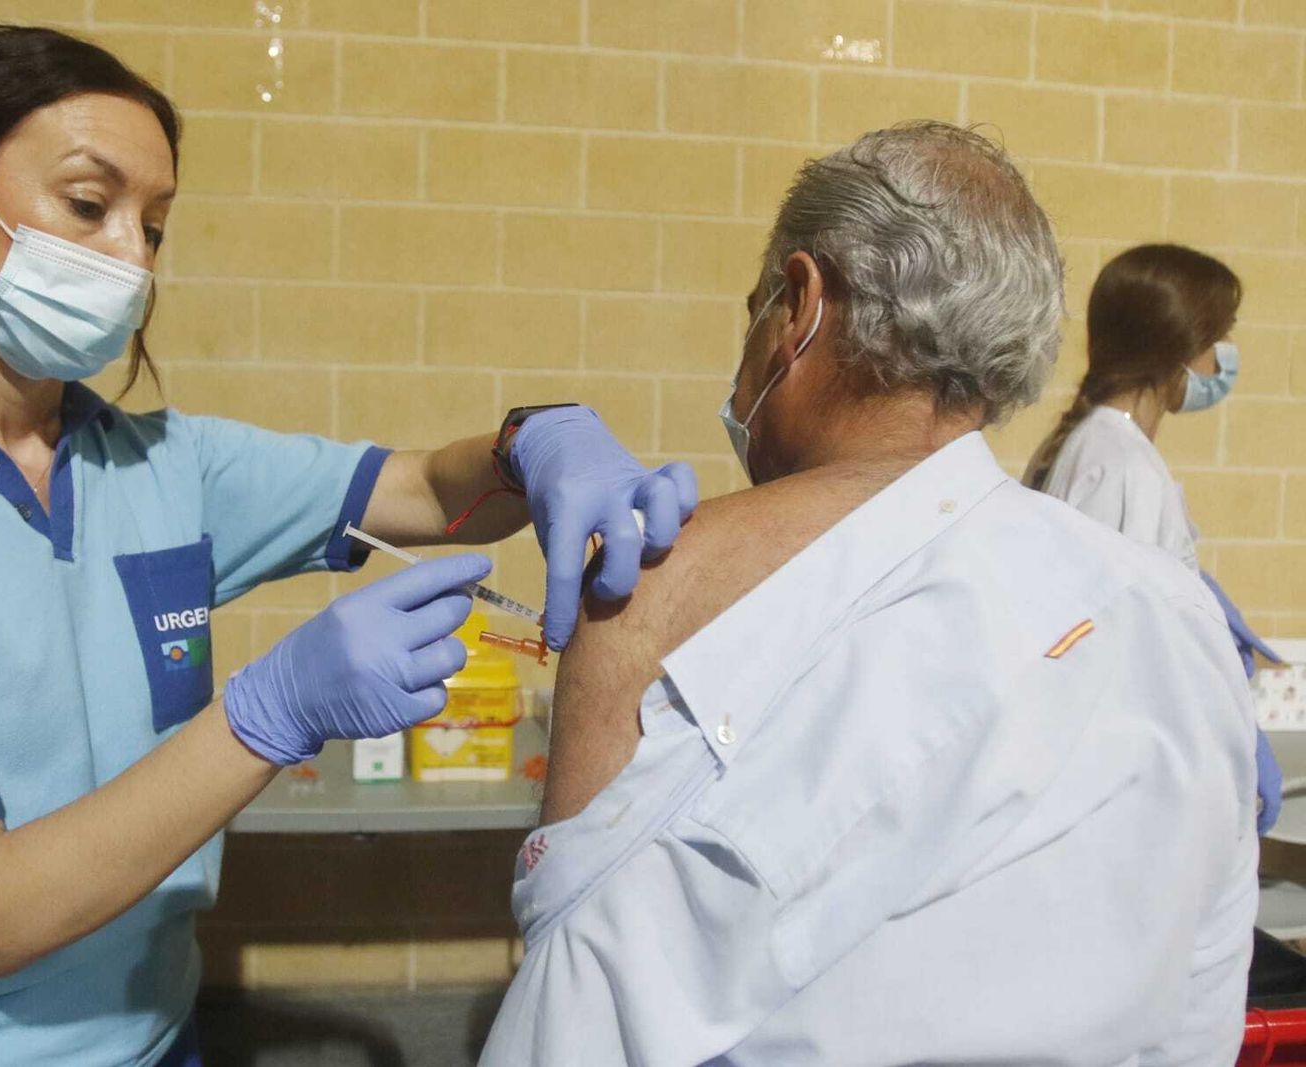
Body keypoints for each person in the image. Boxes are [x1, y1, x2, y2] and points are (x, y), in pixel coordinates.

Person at [0, 26, 696, 1067]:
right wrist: (270, 712)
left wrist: (532, 442)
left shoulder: (160, 465)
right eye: (89, 205)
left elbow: (422, 490)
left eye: (155, 226)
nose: (131, 257)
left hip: (150, 1037)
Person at [480, 123, 1258, 1065]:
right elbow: (1199, 1013)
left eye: (754, 311)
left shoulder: (661, 585)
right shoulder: (1174, 615)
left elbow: (574, 1027)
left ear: (801, 307)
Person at [1024, 244, 1282, 832]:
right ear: (1180, 347)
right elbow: (1119, 642)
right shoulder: (1117, 462)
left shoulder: (1103, 447)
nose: (1223, 358)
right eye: (1218, 338)